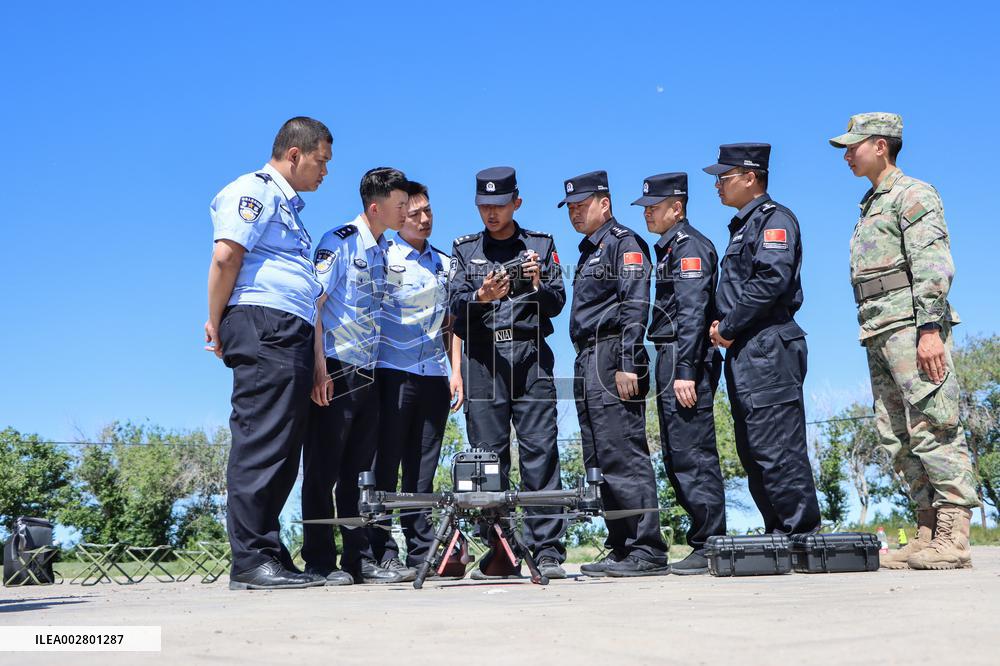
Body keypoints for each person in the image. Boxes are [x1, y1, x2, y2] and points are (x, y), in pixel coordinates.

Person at [830, 113, 979, 569]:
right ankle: (927, 529)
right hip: (878, 327)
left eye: (853, 146)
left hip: (912, 327)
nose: (847, 154)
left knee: (933, 422)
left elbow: (932, 264)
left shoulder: (913, 193)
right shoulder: (871, 202)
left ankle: (954, 537)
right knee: (895, 434)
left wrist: (930, 329)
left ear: (880, 145)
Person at [206, 116, 331, 590]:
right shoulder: (252, 190)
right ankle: (250, 562)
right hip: (263, 323)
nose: (325, 172)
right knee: (261, 441)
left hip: (287, 329)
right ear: (295, 154)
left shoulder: (289, 207)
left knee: (282, 446)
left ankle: (268, 553)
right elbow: (226, 256)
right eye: (321, 161)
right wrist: (216, 321)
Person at [449, 166, 567, 580]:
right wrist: (481, 296)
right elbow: (453, 312)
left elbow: (557, 302)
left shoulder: (540, 244)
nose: (491, 214)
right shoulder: (464, 251)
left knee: (540, 452)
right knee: (487, 458)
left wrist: (535, 285)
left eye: (499, 205)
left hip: (530, 356)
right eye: (484, 206)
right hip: (483, 360)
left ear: (516, 202)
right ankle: (502, 550)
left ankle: (547, 549)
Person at [300, 167, 410, 585]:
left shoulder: (384, 250)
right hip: (336, 367)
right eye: (400, 206)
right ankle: (319, 559)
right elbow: (315, 304)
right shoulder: (340, 241)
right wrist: (318, 368)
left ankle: (358, 559)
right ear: (375, 206)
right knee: (324, 469)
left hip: (370, 370)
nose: (405, 212)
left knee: (358, 473)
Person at [705, 143, 821, 535]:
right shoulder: (744, 225)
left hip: (767, 344)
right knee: (755, 448)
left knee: (777, 446)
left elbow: (771, 279)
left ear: (751, 177)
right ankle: (778, 532)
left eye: (724, 177)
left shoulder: (774, 220)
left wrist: (728, 326)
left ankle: (799, 534)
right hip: (748, 348)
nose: (717, 185)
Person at [562, 170, 670, 578]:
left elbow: (635, 303)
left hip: (613, 355)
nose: (574, 213)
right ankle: (622, 544)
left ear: (604, 203)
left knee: (623, 450)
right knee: (600, 454)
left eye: (581, 205)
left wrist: (627, 361)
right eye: (569, 207)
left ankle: (647, 547)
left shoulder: (624, 243)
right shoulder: (591, 250)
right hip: (587, 357)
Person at [368, 180, 464, 576]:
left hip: (433, 377)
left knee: (422, 469)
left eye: (428, 212)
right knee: (386, 465)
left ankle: (422, 549)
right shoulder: (383, 255)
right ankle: (381, 549)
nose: (423, 220)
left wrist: (455, 371)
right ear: (397, 217)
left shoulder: (445, 263)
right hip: (392, 373)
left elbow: (451, 322)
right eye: (413, 214)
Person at [633, 172, 726, 574]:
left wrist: (685, 370)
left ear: (678, 207)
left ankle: (712, 542)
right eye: (646, 208)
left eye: (654, 207)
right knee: (676, 453)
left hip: (685, 358)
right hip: (670, 354)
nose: (648, 214)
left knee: (693, 453)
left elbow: (691, 314)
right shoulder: (670, 249)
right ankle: (704, 539)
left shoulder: (690, 248)